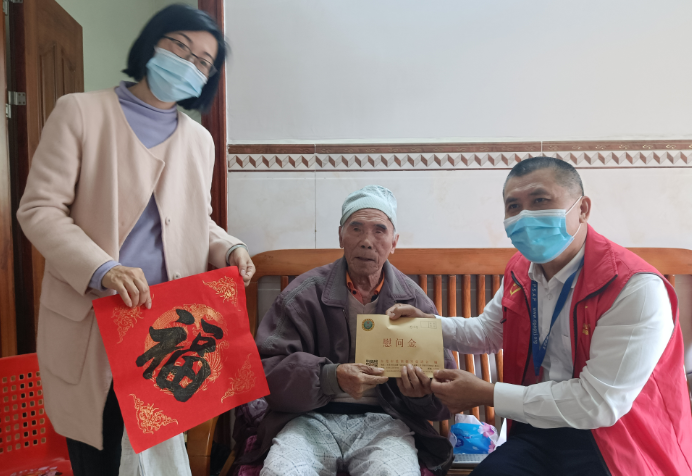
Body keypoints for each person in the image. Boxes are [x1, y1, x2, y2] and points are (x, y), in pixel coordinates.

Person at [16, 5, 255, 476]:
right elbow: (39, 209)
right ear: (152, 43)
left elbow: (197, 219)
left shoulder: (199, 140)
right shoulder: (80, 112)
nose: (188, 63)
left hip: (169, 326)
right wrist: (102, 268)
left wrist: (229, 247)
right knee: (100, 452)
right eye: (179, 46)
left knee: (159, 457)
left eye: (203, 61)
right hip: (95, 321)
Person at [388, 156, 692, 476]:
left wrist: (486, 394)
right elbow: (488, 331)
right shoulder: (521, 270)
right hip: (538, 429)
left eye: (540, 200)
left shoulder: (633, 286)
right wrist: (425, 326)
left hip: (617, 440)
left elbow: (598, 404)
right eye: (513, 206)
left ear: (582, 208)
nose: (525, 216)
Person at [241, 185, 456, 476]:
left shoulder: (414, 302)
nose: (367, 241)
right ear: (341, 235)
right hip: (308, 419)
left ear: (394, 242)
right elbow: (266, 372)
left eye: (379, 230)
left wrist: (420, 396)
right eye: (356, 228)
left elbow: (444, 391)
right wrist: (330, 378)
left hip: (387, 422)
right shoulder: (303, 295)